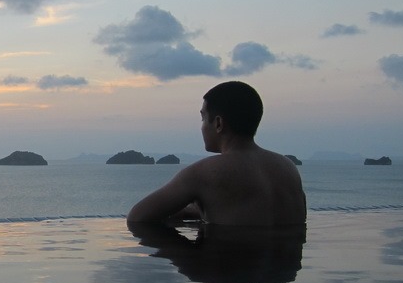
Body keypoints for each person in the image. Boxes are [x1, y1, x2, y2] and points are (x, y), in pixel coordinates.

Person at [127, 81, 306, 226]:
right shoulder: (288, 167)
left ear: (218, 123)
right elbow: (257, 213)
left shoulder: (205, 172)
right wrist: (201, 212)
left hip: (230, 260)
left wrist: (188, 255)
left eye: (203, 118)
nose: (202, 126)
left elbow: (136, 218)